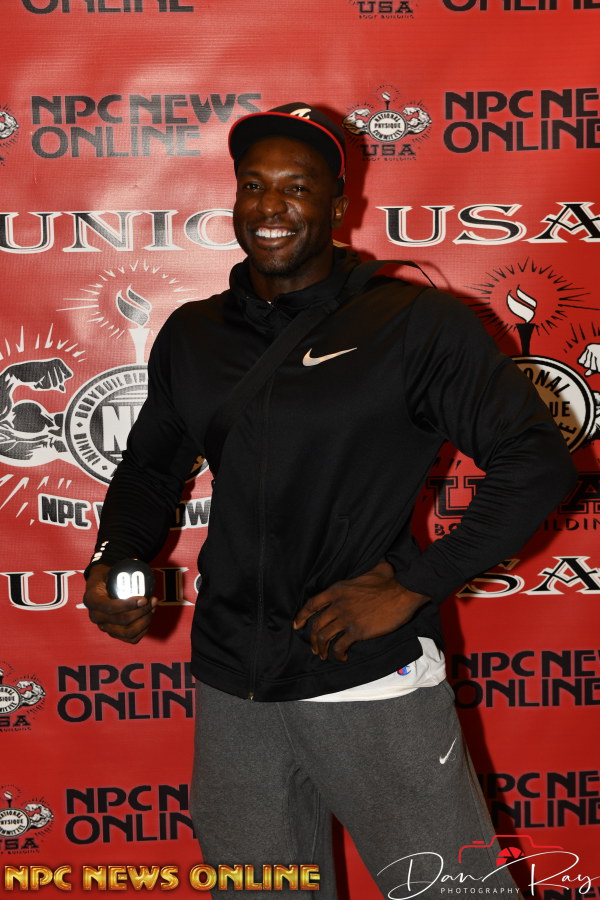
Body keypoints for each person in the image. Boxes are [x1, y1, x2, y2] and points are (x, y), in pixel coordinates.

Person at [84, 102, 577, 898]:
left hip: (367, 678)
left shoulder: (413, 323)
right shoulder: (195, 334)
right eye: (254, 185)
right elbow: (149, 470)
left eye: (297, 186)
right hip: (233, 683)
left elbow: (536, 462)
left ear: (341, 203)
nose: (271, 206)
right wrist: (117, 556)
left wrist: (413, 586)